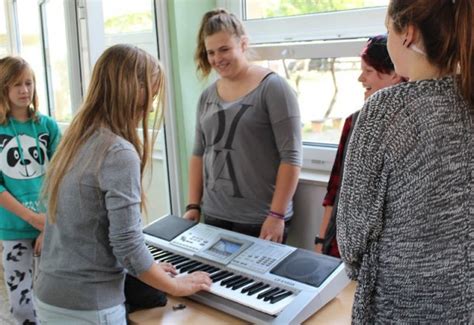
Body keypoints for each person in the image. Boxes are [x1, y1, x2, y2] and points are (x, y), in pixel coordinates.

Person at [34, 44, 211, 324]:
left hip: (50, 296)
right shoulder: (117, 151)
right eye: (152, 93)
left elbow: (86, 232)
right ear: (133, 89)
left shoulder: (76, 139)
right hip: (89, 305)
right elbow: (128, 246)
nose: (151, 105)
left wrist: (149, 268)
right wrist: (179, 285)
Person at [336, 0, 473, 323]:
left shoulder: (385, 111)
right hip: (465, 298)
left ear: (408, 34)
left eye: (388, 30)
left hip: (400, 302)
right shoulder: (468, 98)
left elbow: (352, 235)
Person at [183, 9, 302, 244]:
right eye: (211, 52)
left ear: (243, 44)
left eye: (225, 49)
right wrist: (193, 205)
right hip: (215, 215)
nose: (218, 59)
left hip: (262, 219)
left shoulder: (274, 88)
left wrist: (276, 215)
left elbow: (291, 157)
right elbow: (199, 153)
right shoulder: (207, 96)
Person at [315, 35, 404, 256]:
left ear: (394, 74)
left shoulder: (413, 128)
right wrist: (320, 240)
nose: (360, 78)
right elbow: (335, 189)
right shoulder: (353, 122)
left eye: (368, 71)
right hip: (341, 248)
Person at [0, 56, 60, 324]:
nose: (25, 90)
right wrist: (32, 218)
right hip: (13, 229)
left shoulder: (47, 126)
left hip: (50, 226)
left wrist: (48, 224)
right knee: (22, 306)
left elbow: (62, 175)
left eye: (29, 83)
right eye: (16, 85)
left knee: (53, 300)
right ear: (3, 89)